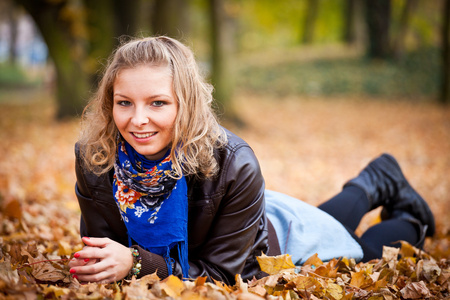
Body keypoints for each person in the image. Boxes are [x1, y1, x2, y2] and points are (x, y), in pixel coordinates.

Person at [69, 36, 435, 285]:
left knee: (358, 251)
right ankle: (375, 180)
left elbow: (222, 274)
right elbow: (102, 251)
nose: (138, 120)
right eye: (124, 102)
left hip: (263, 250)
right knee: (328, 220)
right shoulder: (95, 159)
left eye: (158, 102)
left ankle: (411, 219)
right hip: (234, 222)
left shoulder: (234, 163)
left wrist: (135, 263)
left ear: (186, 104)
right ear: (109, 103)